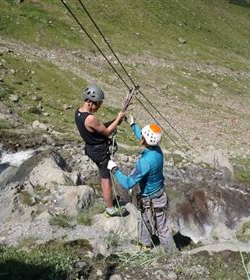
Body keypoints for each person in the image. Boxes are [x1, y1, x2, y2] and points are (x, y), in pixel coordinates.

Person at [107, 117, 176, 253]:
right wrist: (133, 124)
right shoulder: (157, 150)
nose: (141, 138)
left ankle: (172, 254)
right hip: (157, 194)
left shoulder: (145, 162)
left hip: (151, 198)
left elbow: (128, 183)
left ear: (145, 140)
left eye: (142, 137)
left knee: (160, 226)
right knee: (145, 219)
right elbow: (145, 138)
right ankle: (146, 244)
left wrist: (114, 169)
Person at [75, 84, 127, 217]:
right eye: (97, 104)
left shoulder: (78, 113)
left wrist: (115, 121)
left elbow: (97, 129)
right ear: (89, 102)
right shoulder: (90, 118)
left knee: (105, 177)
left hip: (91, 148)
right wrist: (118, 119)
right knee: (106, 179)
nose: (98, 107)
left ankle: (110, 201)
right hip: (100, 152)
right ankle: (110, 209)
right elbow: (107, 132)